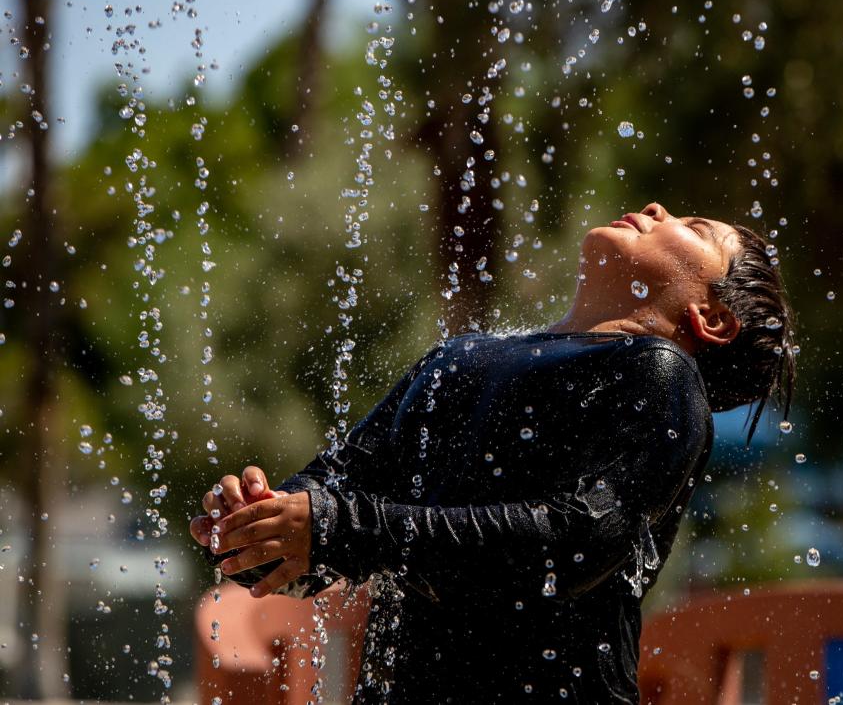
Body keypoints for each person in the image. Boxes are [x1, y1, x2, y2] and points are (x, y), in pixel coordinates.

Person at [189, 201, 796, 703]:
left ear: (710, 319)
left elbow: (575, 539)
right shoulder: (462, 354)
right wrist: (265, 522)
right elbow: (343, 482)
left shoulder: (657, 373)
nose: (659, 209)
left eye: (693, 231)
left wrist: (335, 527)